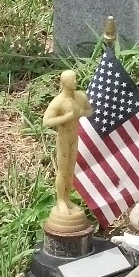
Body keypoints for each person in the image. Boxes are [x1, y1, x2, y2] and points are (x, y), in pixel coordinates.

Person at [43, 70, 93, 222]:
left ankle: (67, 197)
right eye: (72, 79)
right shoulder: (58, 102)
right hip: (63, 138)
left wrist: (82, 112)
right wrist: (67, 117)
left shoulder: (80, 97)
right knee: (63, 169)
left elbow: (90, 111)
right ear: (64, 82)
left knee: (71, 169)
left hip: (74, 136)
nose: (75, 81)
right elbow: (47, 121)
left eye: (75, 79)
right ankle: (60, 200)